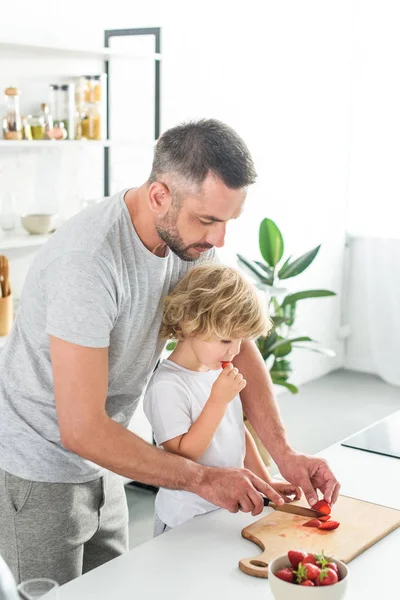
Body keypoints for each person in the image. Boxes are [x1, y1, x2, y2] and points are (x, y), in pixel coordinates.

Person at [0, 119, 340, 586]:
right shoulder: (89, 263)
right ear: (160, 195)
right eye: (207, 220)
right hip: (37, 470)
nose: (219, 241)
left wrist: (283, 453)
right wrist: (203, 479)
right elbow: (79, 428)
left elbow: (235, 340)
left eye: (226, 221)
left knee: (117, 590)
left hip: (106, 461)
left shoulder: (190, 246)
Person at [144, 263, 302, 535]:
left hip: (224, 508)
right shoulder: (168, 385)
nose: (236, 351)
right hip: (185, 519)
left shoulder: (215, 368)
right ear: (190, 324)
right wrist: (218, 400)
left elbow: (236, 432)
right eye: (227, 340)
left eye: (242, 340)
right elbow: (182, 455)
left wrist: (265, 483)